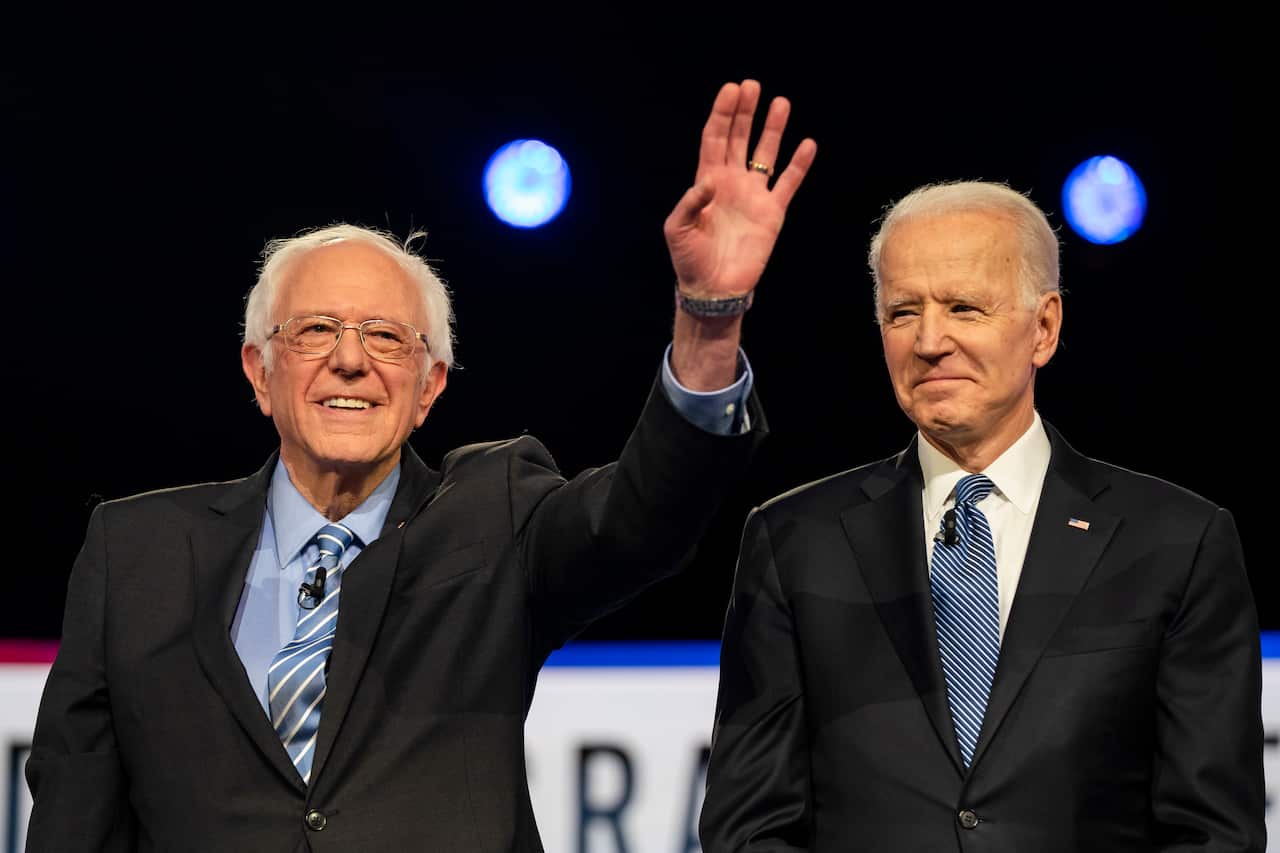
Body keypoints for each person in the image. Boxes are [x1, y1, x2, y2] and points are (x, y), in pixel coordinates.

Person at [25, 79, 816, 852]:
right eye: (315, 331)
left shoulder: (494, 517)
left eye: (385, 337)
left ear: (430, 386)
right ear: (258, 372)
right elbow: (75, 820)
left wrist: (708, 320)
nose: (348, 360)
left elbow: (641, 518)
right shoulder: (135, 553)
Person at [700, 181, 1265, 852]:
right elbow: (749, 828)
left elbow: (1213, 832)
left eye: (964, 307)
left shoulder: (1179, 542)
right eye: (903, 311)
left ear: (1045, 327)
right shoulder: (793, 541)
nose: (930, 340)